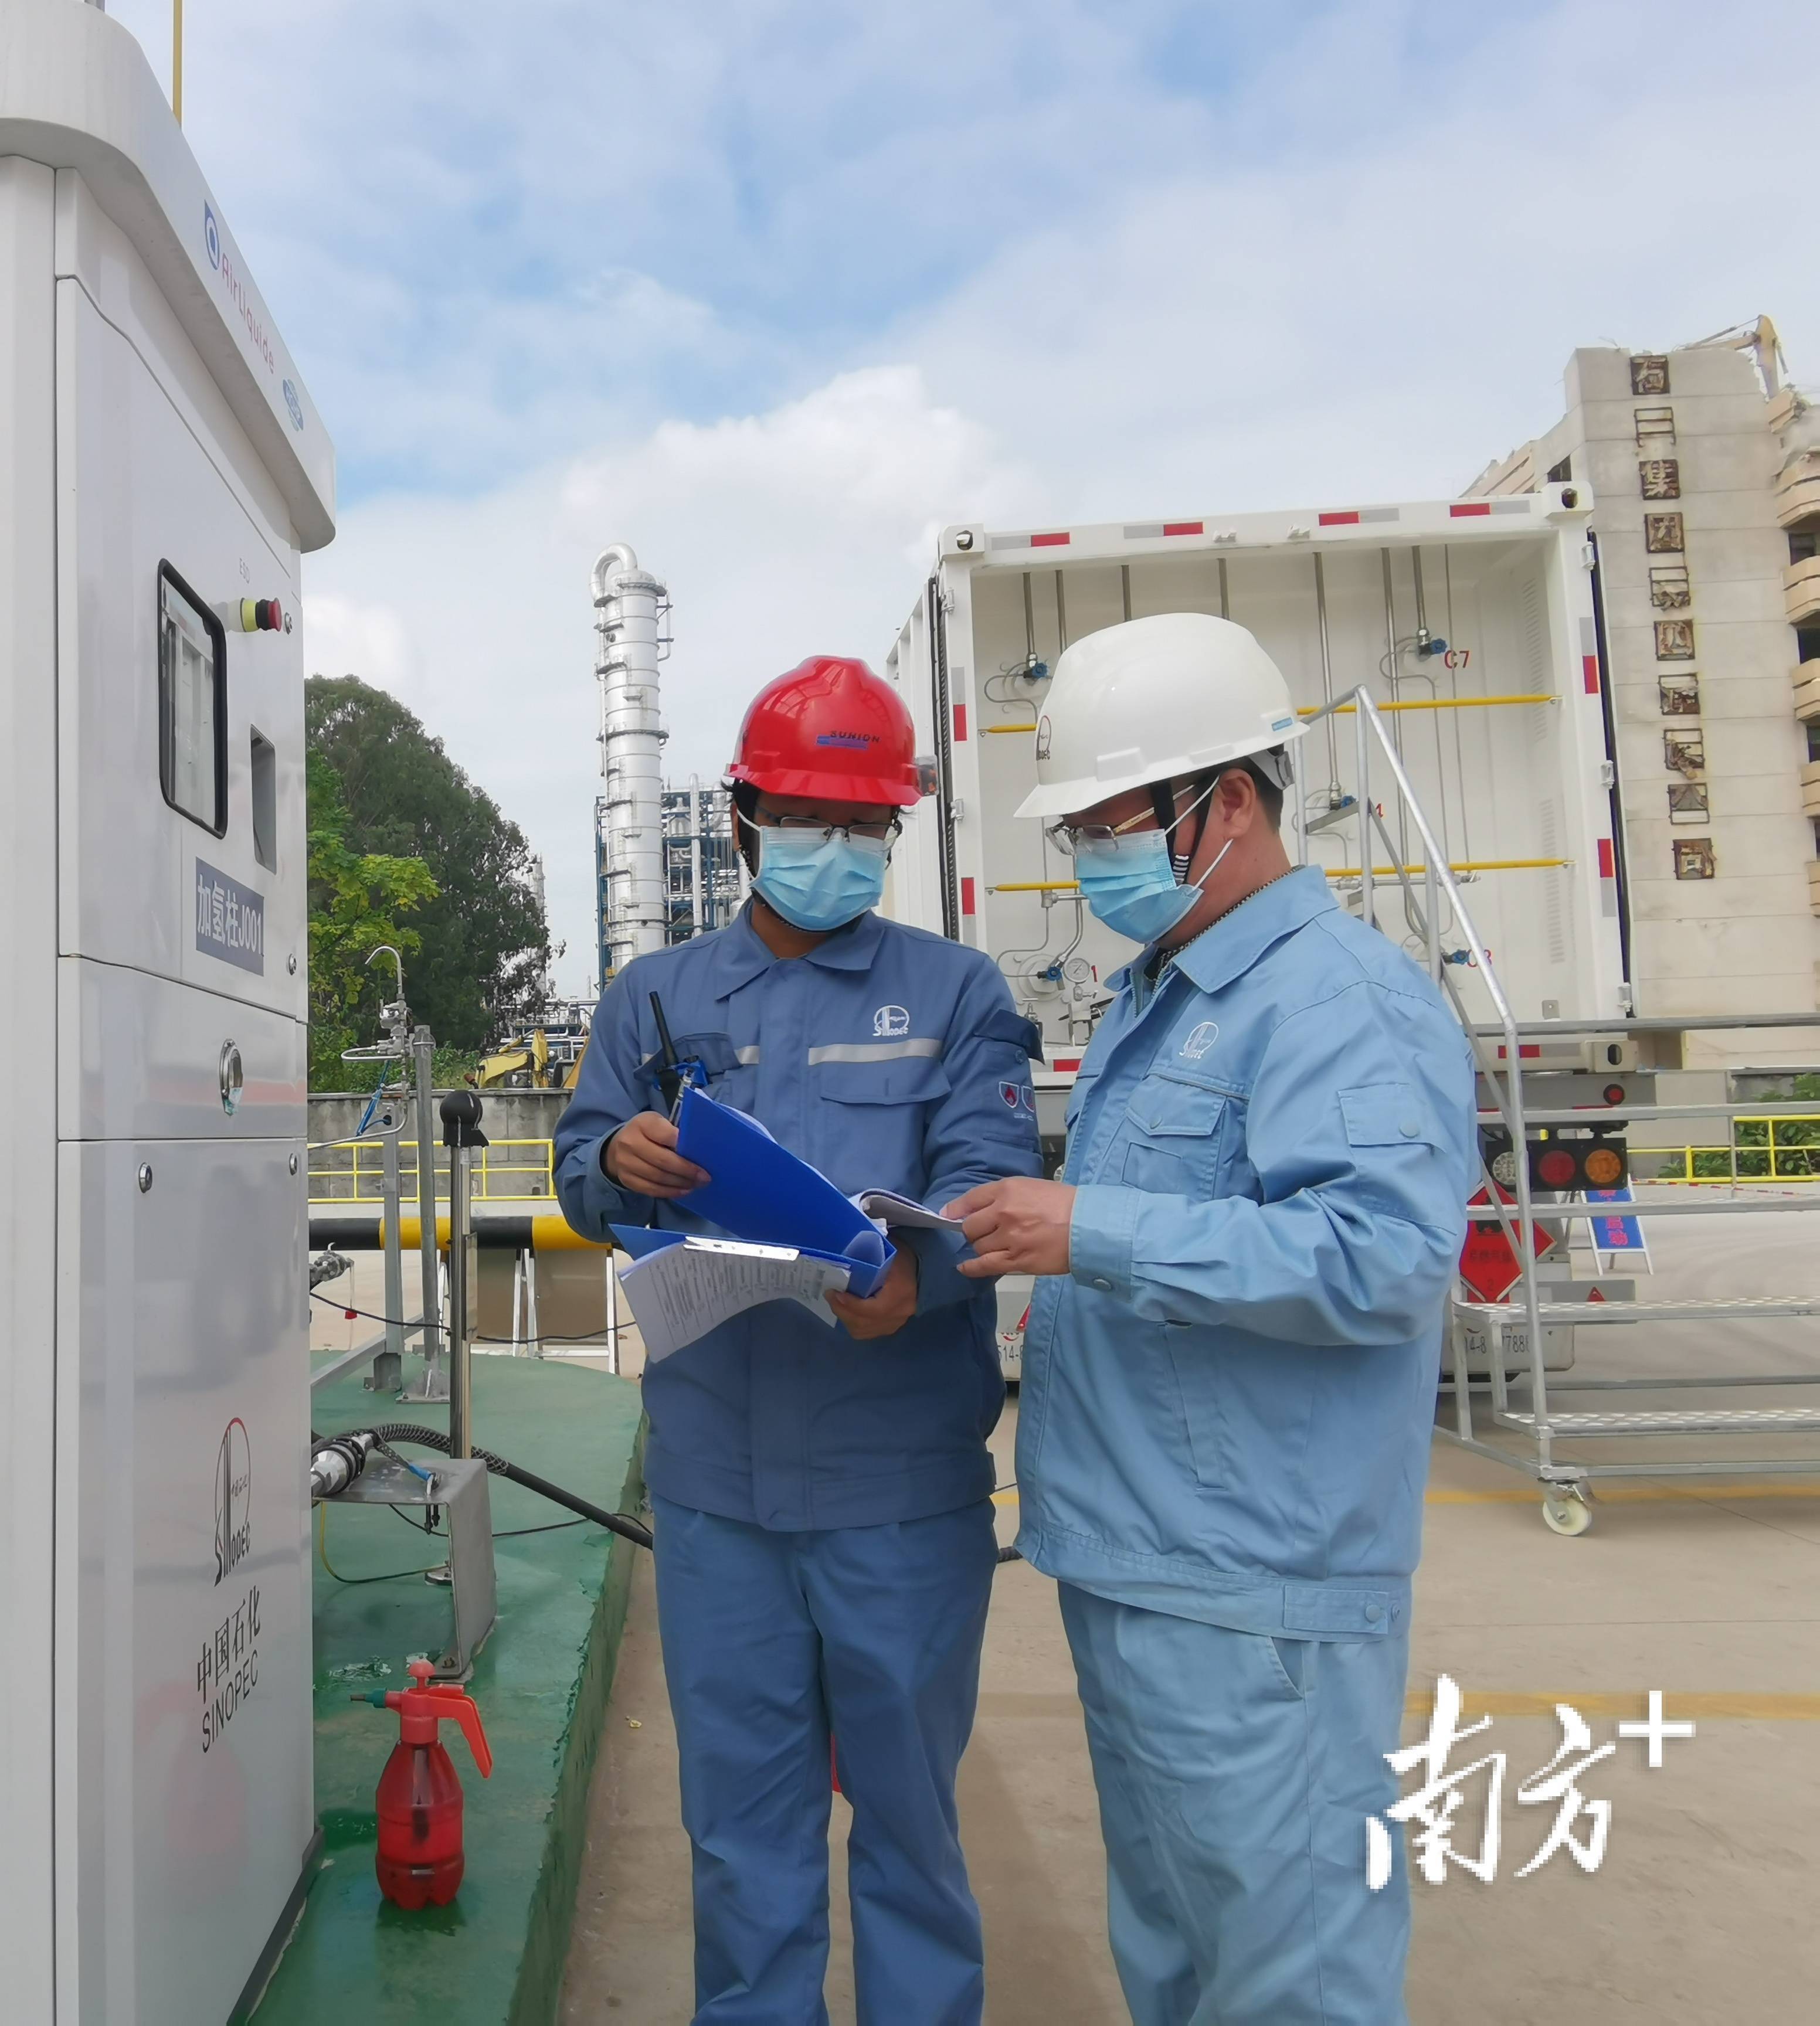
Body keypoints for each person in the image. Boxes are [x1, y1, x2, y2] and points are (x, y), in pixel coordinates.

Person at [943, 612, 1477, 2026]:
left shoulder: (1341, 1002)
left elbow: (1380, 1258)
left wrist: (1087, 1229)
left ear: (1226, 803)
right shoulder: (1159, 1001)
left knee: (1289, 1972)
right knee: (1180, 1958)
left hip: (1260, 1596)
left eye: (1111, 824)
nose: (1089, 862)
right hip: (1140, 1564)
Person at [554, 655, 1040, 2026]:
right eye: (812, 819)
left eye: (867, 826)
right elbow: (581, 1166)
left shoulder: (955, 993)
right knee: (742, 1838)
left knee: (908, 1830)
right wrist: (621, 1159)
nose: (841, 849)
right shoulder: (653, 997)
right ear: (744, 817)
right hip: (720, 1494)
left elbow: (988, 1175)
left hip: (897, 1493)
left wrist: (926, 1278)